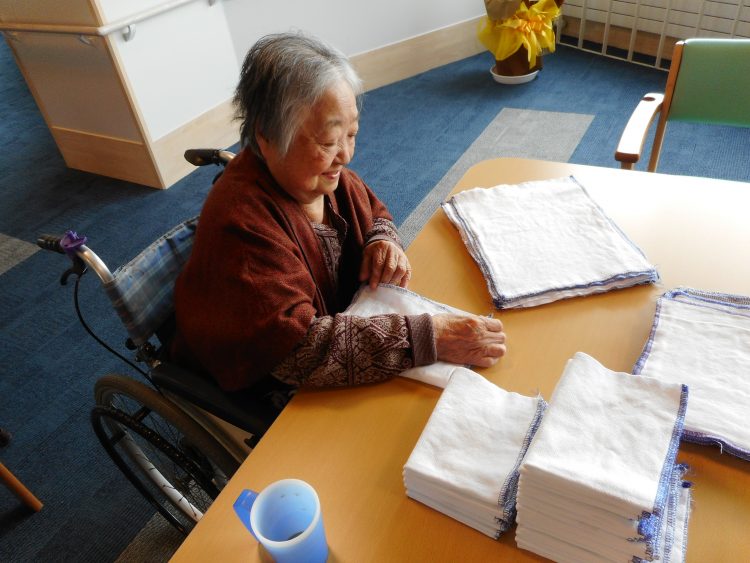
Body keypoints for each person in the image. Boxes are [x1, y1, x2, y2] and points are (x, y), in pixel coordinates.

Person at [171, 31, 506, 413]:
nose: (345, 155)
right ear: (266, 137)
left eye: (352, 133)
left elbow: (374, 211)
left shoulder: (315, 176)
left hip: (342, 322)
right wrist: (430, 336)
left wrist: (382, 241)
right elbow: (298, 350)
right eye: (329, 142)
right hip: (264, 377)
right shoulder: (243, 227)